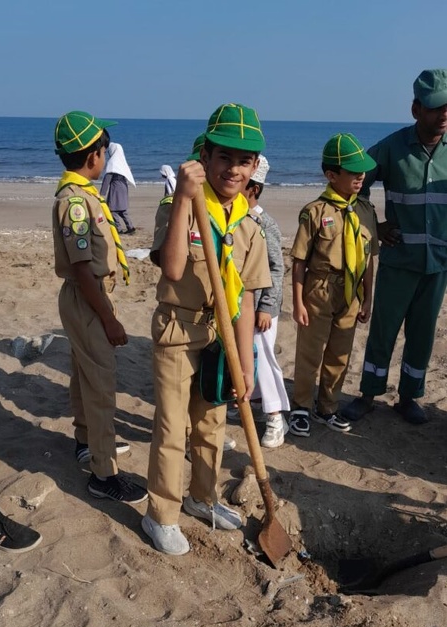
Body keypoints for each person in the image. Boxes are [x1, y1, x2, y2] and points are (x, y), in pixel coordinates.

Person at [142, 103, 271, 556]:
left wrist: (246, 364)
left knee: (211, 425)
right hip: (178, 331)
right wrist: (181, 198)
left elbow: (247, 298)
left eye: (244, 161)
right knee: (173, 426)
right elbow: (174, 269)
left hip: (220, 340)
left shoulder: (248, 227)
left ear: (254, 167)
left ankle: (202, 497)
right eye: (224, 158)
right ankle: (160, 513)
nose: (233, 169)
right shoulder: (181, 207)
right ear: (206, 157)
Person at [52, 110, 147, 504]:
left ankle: (85, 441)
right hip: (88, 296)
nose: (105, 157)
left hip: (86, 295)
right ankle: (104, 473)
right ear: (94, 155)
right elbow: (80, 267)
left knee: (82, 374)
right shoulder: (75, 203)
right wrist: (108, 318)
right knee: (101, 385)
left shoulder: (84, 195)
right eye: (104, 151)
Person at [343, 69, 447, 426]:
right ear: (416, 109)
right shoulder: (391, 147)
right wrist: (376, 225)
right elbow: (354, 184)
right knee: (384, 329)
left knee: (422, 333)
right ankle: (368, 394)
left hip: (438, 265)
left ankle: (408, 397)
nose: (443, 114)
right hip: (399, 261)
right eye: (436, 107)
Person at [288, 133, 378, 438]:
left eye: (362, 170)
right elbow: (299, 261)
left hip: (352, 292)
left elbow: (369, 259)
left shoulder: (366, 211)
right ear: (331, 175)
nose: (361, 176)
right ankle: (300, 406)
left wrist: (367, 299)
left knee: (340, 353)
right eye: (353, 172)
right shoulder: (315, 212)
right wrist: (298, 302)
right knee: (310, 351)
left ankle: (327, 406)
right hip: (320, 288)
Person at [240, 155, 290, 447]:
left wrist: (267, 307)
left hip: (261, 309)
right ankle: (258, 404)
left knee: (265, 358)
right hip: (240, 307)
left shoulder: (263, 222)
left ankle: (275, 416)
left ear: (254, 188)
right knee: (249, 359)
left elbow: (276, 267)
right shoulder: (232, 217)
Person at [101, 142, 136, 234]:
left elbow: (107, 178)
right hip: (124, 187)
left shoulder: (112, 162)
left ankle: (119, 229)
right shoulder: (122, 161)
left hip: (115, 188)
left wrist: (102, 193)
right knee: (123, 210)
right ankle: (130, 227)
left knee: (112, 209)